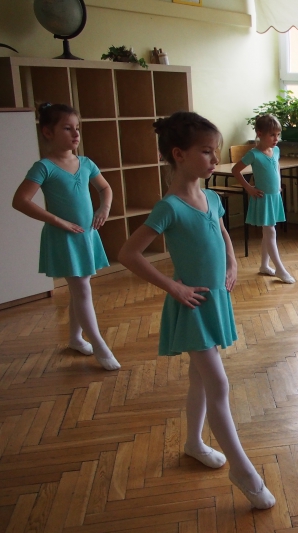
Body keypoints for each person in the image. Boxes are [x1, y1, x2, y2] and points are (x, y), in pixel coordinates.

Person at [118, 112, 275, 509]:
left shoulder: (213, 198)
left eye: (215, 151)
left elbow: (221, 232)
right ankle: (243, 471)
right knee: (217, 383)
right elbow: (129, 253)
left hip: (216, 298)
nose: (213, 159)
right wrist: (173, 287)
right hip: (193, 305)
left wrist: (233, 263)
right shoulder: (169, 207)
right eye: (206, 152)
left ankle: (193, 443)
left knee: (200, 379)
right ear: (179, 154)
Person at [12, 102, 120, 371]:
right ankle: (99, 345)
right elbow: (20, 201)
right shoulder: (44, 167)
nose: (75, 134)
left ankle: (75, 338)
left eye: (77, 128)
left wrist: (104, 208)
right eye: (67, 128)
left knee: (78, 289)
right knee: (82, 289)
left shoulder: (85, 163)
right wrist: (57, 221)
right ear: (48, 132)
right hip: (64, 238)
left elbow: (105, 188)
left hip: (86, 235)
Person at [231, 114, 293, 283]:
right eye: (272, 135)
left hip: (274, 196)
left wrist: (278, 184)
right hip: (262, 197)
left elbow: (276, 166)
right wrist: (249, 188)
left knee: (268, 232)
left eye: (278, 135)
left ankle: (264, 266)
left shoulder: (276, 151)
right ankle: (279, 269)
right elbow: (235, 170)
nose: (276, 139)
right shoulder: (254, 154)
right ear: (260, 134)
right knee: (270, 231)